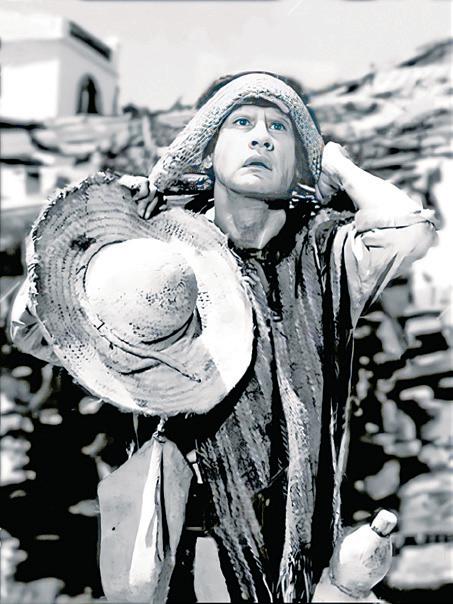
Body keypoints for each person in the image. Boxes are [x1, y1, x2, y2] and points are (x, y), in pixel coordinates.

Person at [10, 71, 437, 602]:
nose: (261, 137)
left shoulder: (327, 253)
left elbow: (409, 229)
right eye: (241, 122)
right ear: (208, 153)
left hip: (298, 550)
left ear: (296, 164)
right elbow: (32, 330)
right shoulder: (162, 257)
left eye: (279, 127)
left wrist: (337, 166)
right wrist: (113, 233)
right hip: (189, 547)